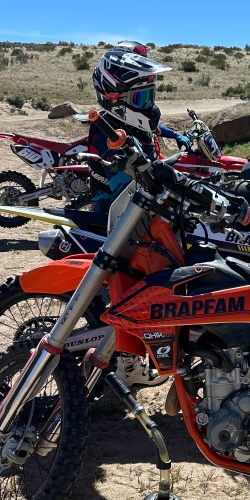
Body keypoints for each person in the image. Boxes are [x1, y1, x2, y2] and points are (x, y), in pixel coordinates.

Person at [89, 41, 191, 389]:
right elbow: (121, 177)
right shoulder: (107, 131)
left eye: (149, 95)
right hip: (118, 217)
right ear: (115, 96)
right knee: (137, 284)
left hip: (138, 211)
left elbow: (153, 131)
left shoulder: (133, 122)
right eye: (141, 98)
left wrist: (177, 137)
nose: (149, 105)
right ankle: (129, 364)